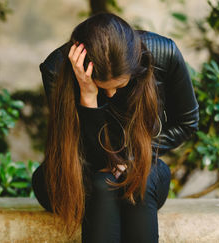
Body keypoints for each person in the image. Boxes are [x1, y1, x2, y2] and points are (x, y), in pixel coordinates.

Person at [31, 12, 199, 243]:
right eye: (102, 88)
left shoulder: (163, 53)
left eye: (120, 85)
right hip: (75, 178)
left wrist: (132, 157)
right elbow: (82, 156)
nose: (110, 94)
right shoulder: (56, 69)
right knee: (103, 183)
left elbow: (186, 121)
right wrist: (88, 98)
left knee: (138, 178)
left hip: (142, 174)